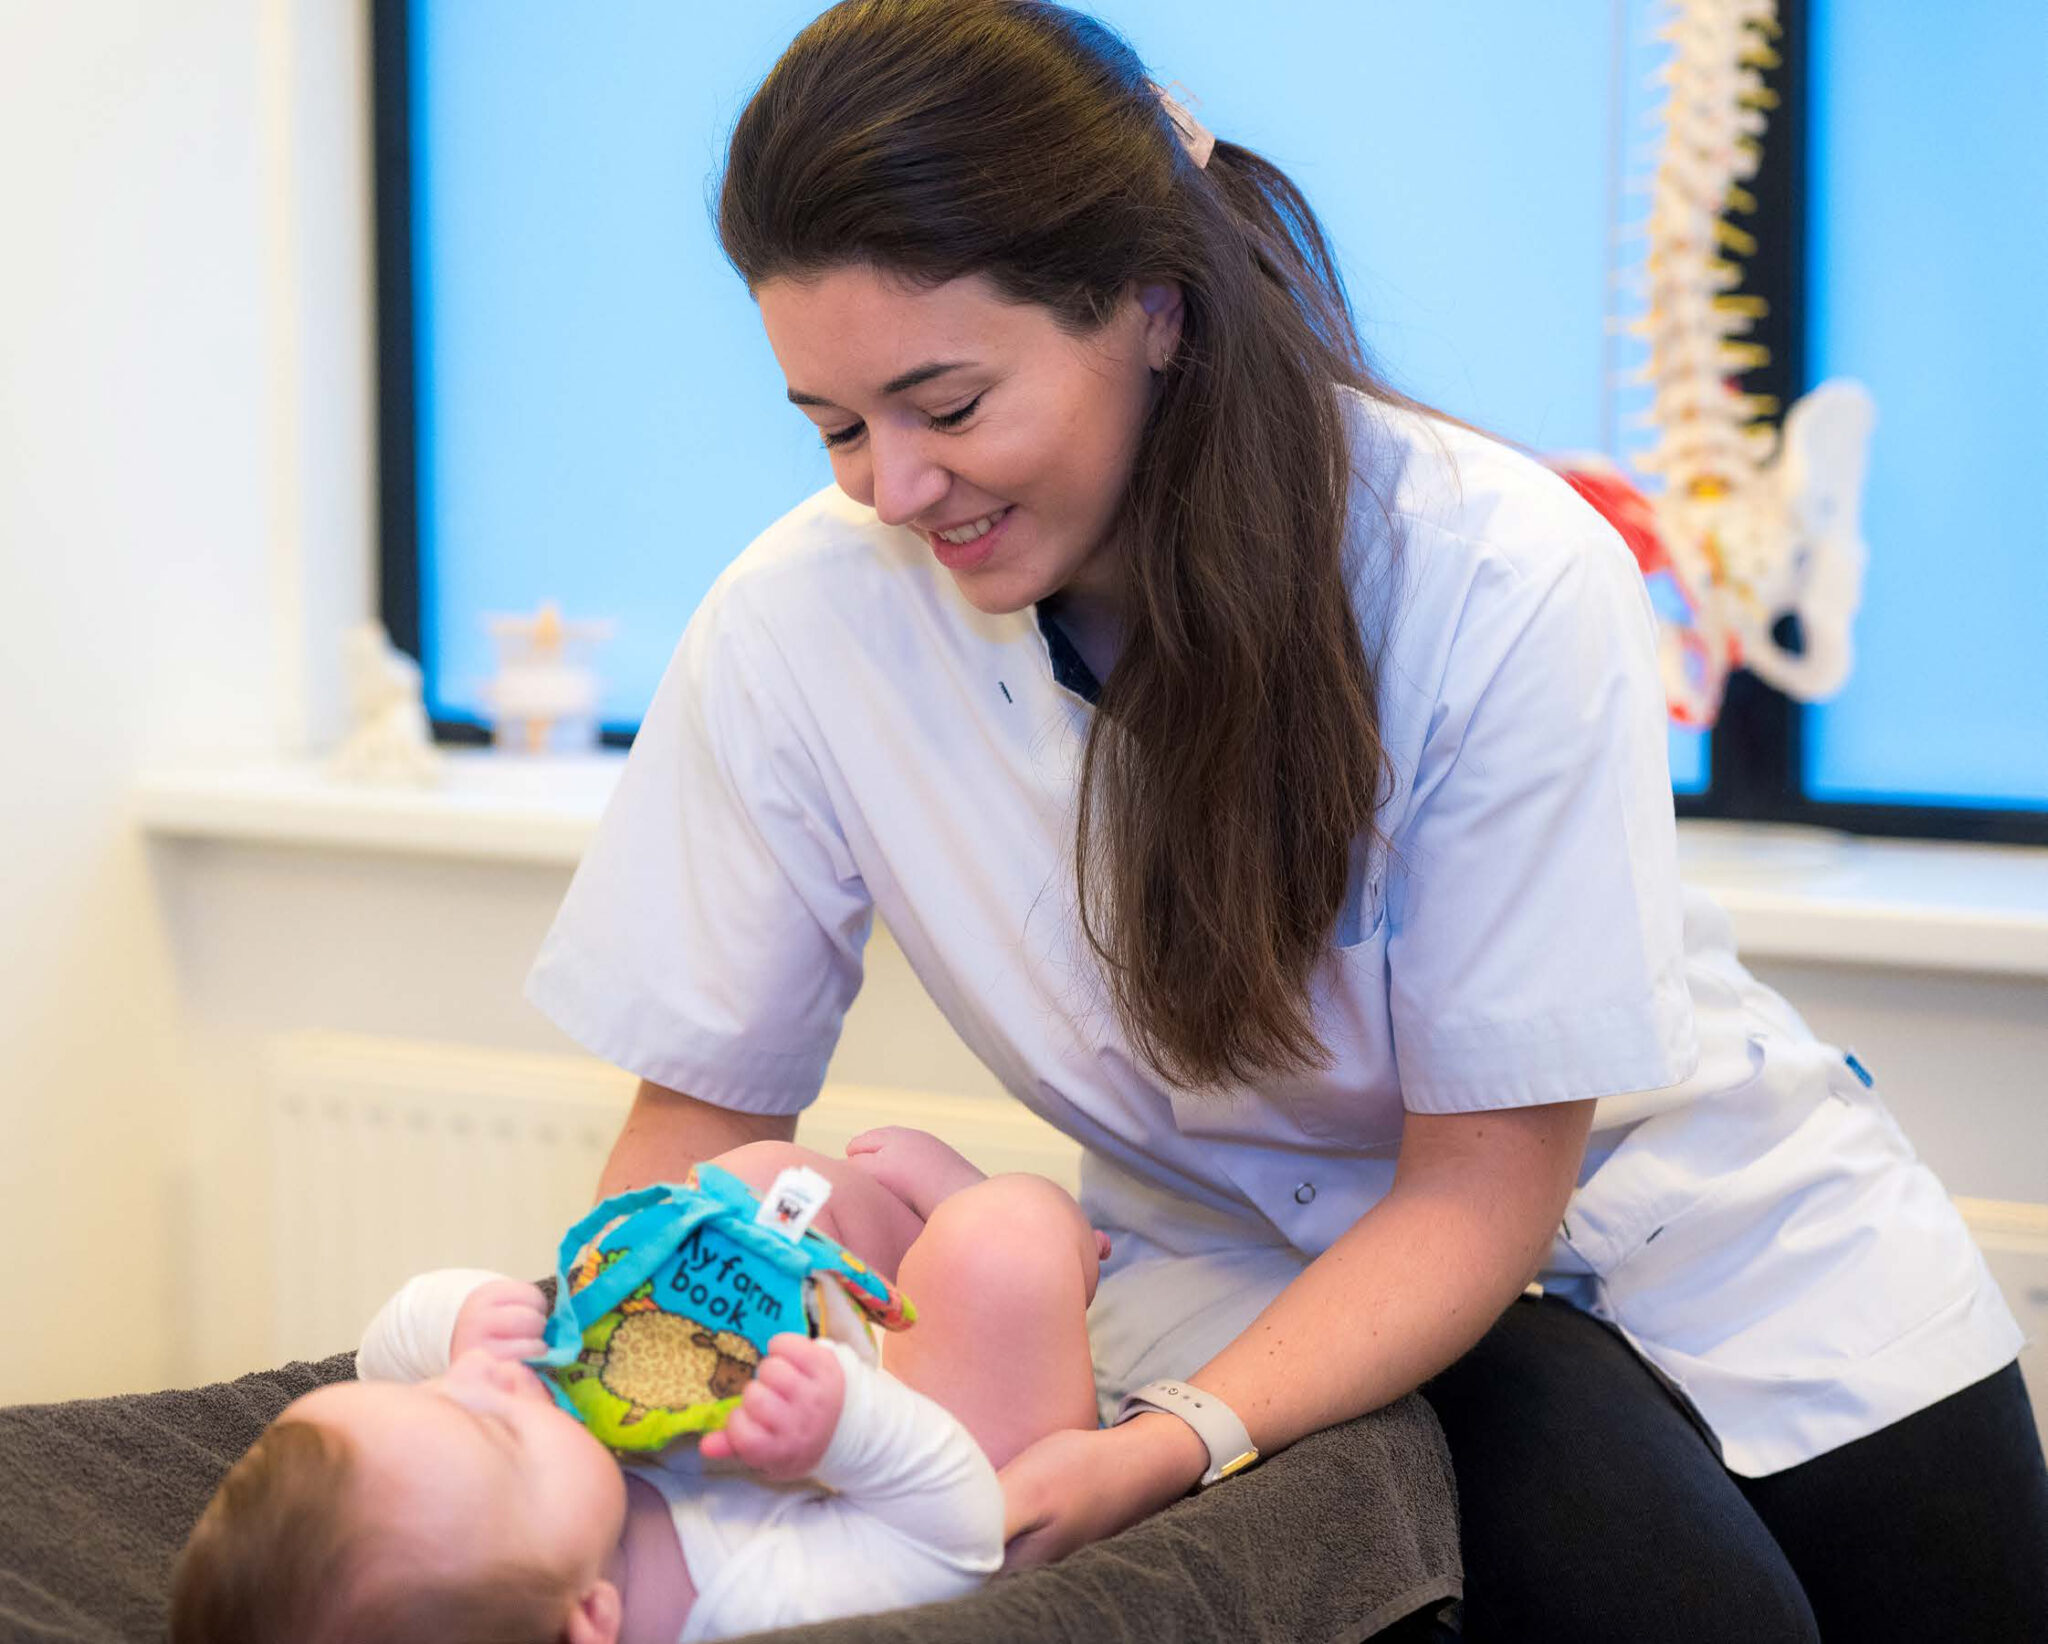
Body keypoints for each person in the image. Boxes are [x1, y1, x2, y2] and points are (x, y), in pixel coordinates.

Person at [523, 2, 2048, 1638]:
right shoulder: (797, 626)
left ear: (1151, 309)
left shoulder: (1491, 573)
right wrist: (578, 1402)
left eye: (947, 406)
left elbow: (1477, 1181)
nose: (892, 487)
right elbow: (695, 1121)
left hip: (1722, 1241)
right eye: (832, 426)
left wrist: (1172, 1441)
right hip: (1246, 1266)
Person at [170, 1133, 1103, 1644]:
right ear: (591, 1621)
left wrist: (456, 1321)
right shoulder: (751, 1607)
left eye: (439, 1397)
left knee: (742, 1184)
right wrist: (846, 1428)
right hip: (925, 1460)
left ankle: (912, 1237)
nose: (490, 1379)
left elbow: (383, 1353)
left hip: (823, 1369)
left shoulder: (520, 1498)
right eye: (492, 1429)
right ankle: (1035, 1242)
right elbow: (958, 1534)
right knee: (1006, 1244)